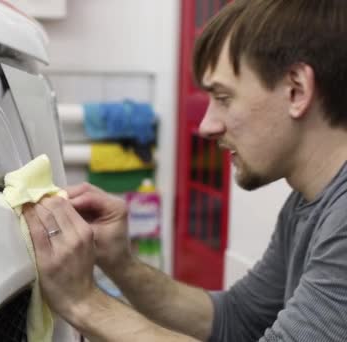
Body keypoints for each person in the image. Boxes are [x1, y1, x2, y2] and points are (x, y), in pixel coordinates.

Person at [23, 0, 347, 341]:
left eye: (223, 98)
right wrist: (119, 262)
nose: (206, 125)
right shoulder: (305, 204)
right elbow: (236, 319)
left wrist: (83, 303)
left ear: (296, 89)